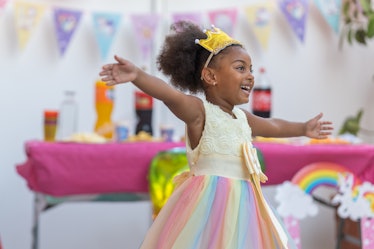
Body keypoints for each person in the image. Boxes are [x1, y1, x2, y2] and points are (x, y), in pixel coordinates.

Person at [99, 20, 333, 249]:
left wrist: (303, 128)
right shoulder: (200, 113)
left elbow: (273, 126)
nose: (250, 75)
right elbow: (170, 95)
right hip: (207, 207)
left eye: (250, 69)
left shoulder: (242, 118)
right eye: (240, 68)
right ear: (211, 76)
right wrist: (138, 75)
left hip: (245, 205)